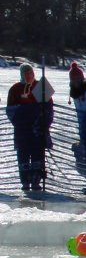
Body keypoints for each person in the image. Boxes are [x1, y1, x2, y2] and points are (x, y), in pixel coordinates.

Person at [6, 63, 53, 192]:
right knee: (23, 156)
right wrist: (22, 120)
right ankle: (25, 181)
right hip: (22, 130)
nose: (29, 75)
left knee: (38, 155)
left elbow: (49, 108)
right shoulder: (15, 89)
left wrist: (44, 122)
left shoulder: (41, 87)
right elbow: (11, 110)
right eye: (26, 73)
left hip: (38, 128)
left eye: (31, 73)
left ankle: (36, 180)